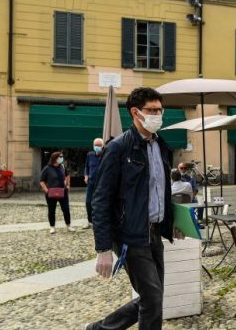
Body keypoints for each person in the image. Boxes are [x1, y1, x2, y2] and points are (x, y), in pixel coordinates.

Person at [87, 87, 174, 330]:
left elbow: (161, 190)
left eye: (160, 109)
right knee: (153, 298)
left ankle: (99, 329)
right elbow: (101, 200)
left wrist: (172, 222)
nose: (158, 114)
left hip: (154, 233)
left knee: (152, 298)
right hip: (130, 235)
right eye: (152, 110)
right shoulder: (118, 149)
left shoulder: (161, 146)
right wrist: (103, 248)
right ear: (136, 112)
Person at [39, 151, 74, 234]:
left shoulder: (62, 166)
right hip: (51, 193)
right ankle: (52, 227)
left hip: (63, 191)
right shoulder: (47, 168)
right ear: (55, 158)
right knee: (51, 210)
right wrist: (47, 191)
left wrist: (68, 185)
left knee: (66, 209)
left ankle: (68, 225)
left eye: (62, 157)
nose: (61, 158)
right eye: (60, 157)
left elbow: (67, 175)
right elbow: (41, 181)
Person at [84, 138, 104, 229]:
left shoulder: (106, 155)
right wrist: (86, 175)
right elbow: (86, 166)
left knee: (100, 203)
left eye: (99, 145)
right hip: (91, 182)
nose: (97, 147)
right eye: (96, 145)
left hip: (102, 183)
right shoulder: (90, 155)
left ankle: (100, 221)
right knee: (88, 202)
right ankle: (90, 221)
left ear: (103, 146)